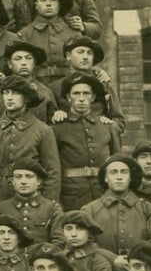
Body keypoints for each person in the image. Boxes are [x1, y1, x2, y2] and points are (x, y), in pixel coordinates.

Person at [0, 75, 61, 202]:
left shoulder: (42, 130)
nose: (10, 97)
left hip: (33, 195)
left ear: (27, 98)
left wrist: (48, 204)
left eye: (16, 93)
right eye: (6, 93)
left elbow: (52, 172)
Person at [52, 72, 123, 210]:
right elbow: (54, 169)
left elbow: (118, 162)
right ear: (68, 97)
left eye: (86, 94)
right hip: (71, 196)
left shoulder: (107, 127)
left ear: (93, 97)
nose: (81, 99)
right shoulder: (57, 129)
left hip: (103, 195)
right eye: (76, 94)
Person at [81, 153, 151, 257]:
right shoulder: (90, 210)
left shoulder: (147, 209)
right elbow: (85, 244)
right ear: (105, 178)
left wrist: (136, 262)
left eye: (124, 172)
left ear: (130, 178)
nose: (119, 177)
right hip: (103, 270)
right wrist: (113, 260)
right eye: (113, 172)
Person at [0, 158, 63, 247]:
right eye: (18, 177)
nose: (23, 181)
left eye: (29, 176)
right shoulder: (1, 208)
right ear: (13, 182)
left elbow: (59, 241)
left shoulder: (52, 208)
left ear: (39, 181)